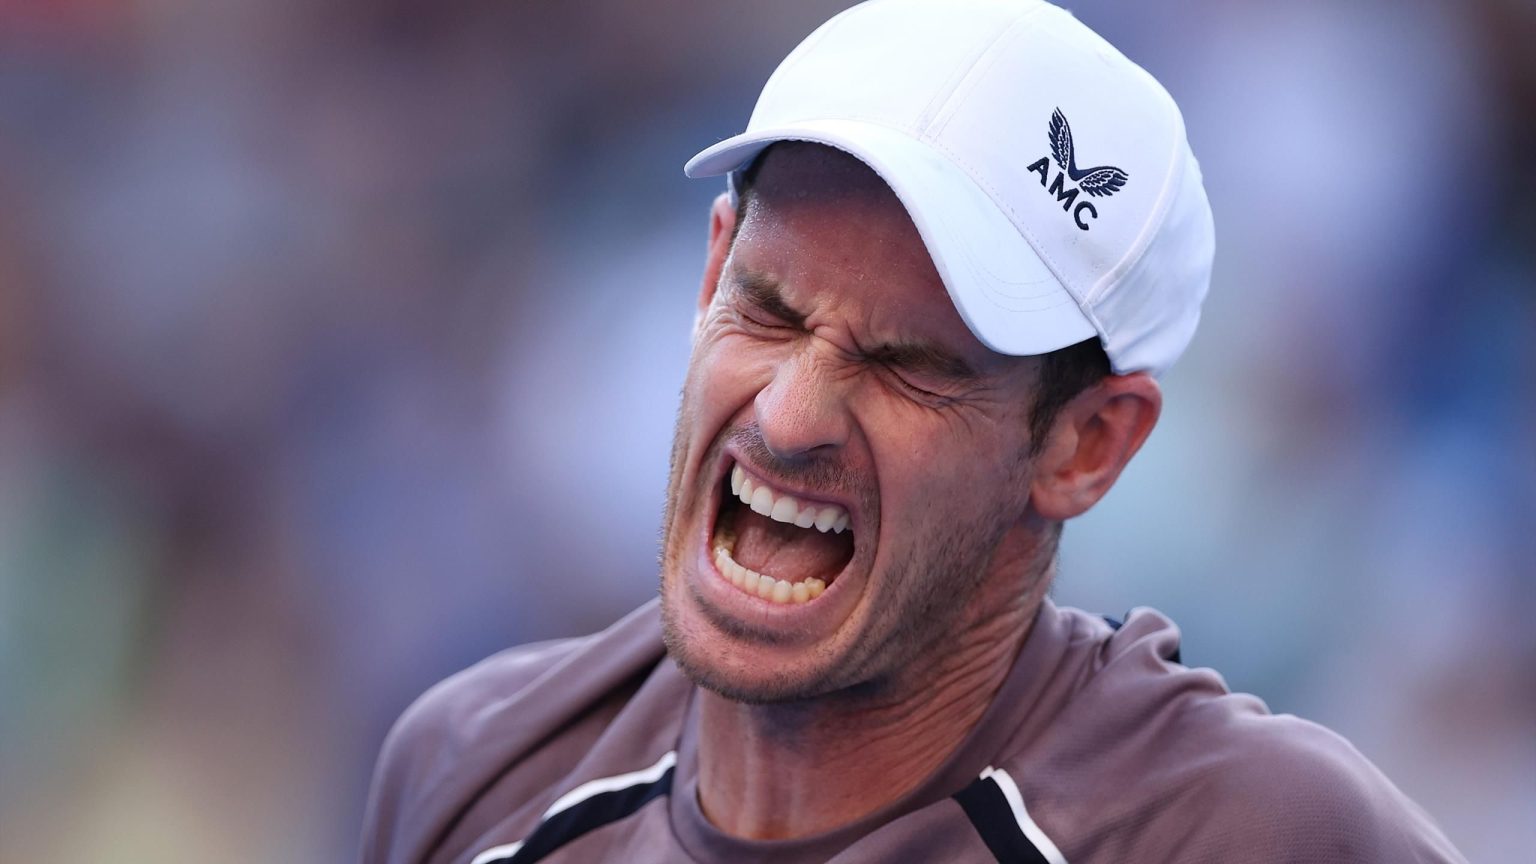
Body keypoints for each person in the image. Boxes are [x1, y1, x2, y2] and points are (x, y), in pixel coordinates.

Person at [360, 1, 1467, 861]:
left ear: (1088, 446)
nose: (789, 416)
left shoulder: (1259, 839)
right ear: (710, 271)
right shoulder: (478, 769)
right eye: (769, 311)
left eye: (906, 367)